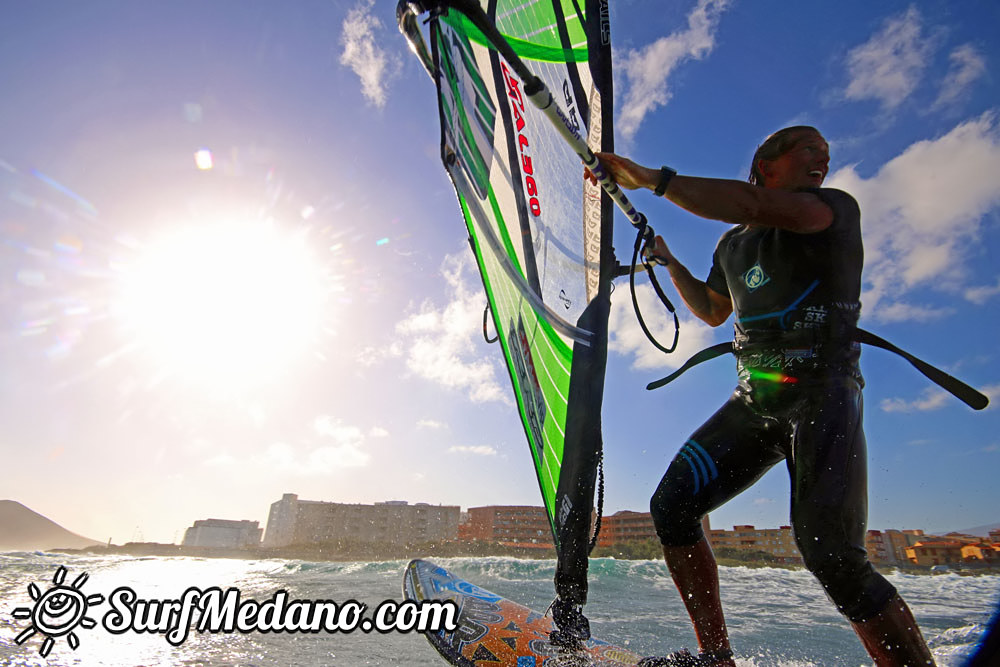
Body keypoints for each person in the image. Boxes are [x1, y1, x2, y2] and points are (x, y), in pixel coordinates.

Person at [585, 126, 936, 667]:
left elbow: (748, 202)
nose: (823, 159)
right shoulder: (731, 245)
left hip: (823, 394)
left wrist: (652, 179)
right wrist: (668, 260)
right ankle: (716, 658)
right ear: (766, 163)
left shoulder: (830, 210)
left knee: (833, 555)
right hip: (756, 400)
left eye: (826, 154)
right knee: (672, 506)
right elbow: (711, 309)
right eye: (810, 150)